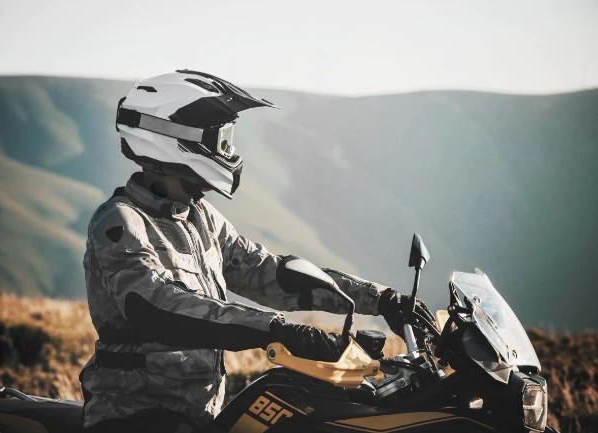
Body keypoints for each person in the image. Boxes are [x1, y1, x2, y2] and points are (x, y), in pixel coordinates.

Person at [79, 70, 434, 432]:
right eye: (219, 139)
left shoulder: (201, 218)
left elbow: (267, 272)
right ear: (173, 137)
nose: (227, 150)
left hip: (199, 417)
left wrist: (381, 299)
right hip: (133, 415)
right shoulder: (121, 221)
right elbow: (155, 306)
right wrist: (276, 330)